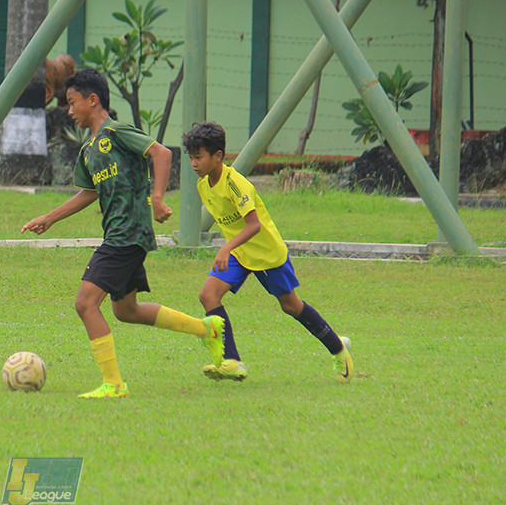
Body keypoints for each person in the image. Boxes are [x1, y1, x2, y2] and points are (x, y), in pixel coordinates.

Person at [21, 68, 224, 399]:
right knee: (125, 310)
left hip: (127, 233)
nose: (69, 111)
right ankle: (206, 329)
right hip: (120, 233)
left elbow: (162, 153)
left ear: (93, 100)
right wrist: (50, 217)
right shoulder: (88, 150)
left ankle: (114, 384)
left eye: (72, 103)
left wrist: (156, 198)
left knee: (86, 304)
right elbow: (89, 193)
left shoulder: (116, 132)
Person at [181, 121, 354, 383]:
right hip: (240, 254)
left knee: (291, 306)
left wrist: (226, 247)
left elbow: (254, 225)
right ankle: (232, 361)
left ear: (218, 156)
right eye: (191, 157)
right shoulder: (203, 185)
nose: (193, 163)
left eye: (198, 157)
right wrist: (232, 249)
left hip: (267, 254)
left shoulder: (236, 184)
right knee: (208, 295)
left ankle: (339, 350)